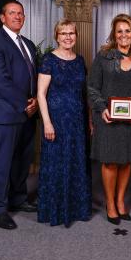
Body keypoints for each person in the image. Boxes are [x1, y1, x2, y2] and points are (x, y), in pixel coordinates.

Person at [88, 14, 131, 225]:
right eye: (119, 31)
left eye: (128, 30)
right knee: (110, 162)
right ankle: (110, 203)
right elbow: (92, 87)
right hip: (107, 119)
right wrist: (102, 108)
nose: (124, 35)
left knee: (126, 161)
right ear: (114, 34)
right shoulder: (103, 57)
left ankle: (121, 200)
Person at [0, 1, 38, 230]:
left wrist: (35, 100)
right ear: (2, 17)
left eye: (20, 14)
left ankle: (18, 198)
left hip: (28, 112)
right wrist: (24, 103)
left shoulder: (28, 44)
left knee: (23, 160)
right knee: (3, 162)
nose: (17, 17)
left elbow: (33, 76)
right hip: (7, 113)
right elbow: (0, 81)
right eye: (12, 13)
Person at [36, 19, 92, 227]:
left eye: (71, 33)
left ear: (76, 36)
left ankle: (76, 208)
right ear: (56, 36)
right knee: (57, 164)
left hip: (77, 121)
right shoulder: (48, 60)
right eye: (63, 33)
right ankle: (56, 210)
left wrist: (89, 121)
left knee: (76, 162)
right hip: (56, 121)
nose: (68, 37)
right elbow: (41, 94)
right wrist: (47, 123)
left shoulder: (80, 61)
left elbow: (83, 94)